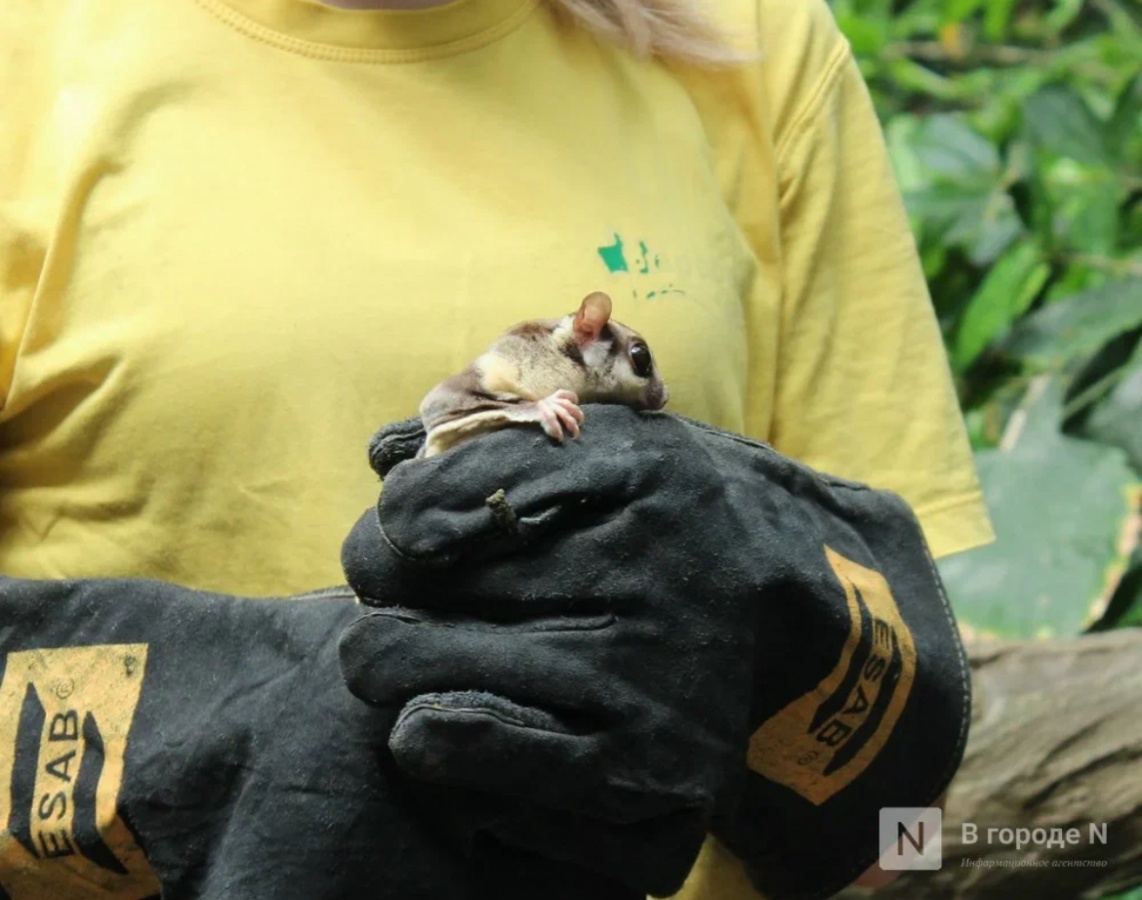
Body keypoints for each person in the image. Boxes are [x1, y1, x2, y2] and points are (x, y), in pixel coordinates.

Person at [0, 0, 994, 897]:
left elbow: (900, 821)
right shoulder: (30, 50)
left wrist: (775, 616)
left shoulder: (752, 38)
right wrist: (210, 735)